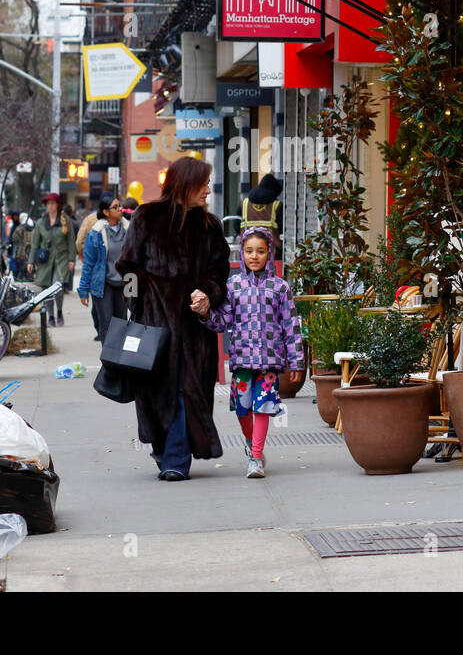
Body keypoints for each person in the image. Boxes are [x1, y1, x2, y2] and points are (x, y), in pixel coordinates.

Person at [115, 157, 229, 481]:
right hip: (153, 324)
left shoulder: (210, 226)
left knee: (186, 391)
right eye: (203, 183)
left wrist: (208, 293)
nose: (208, 190)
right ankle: (165, 451)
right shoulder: (146, 217)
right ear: (186, 185)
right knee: (155, 392)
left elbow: (219, 273)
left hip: (194, 329)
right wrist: (135, 298)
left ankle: (176, 460)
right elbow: (127, 267)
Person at [194, 226, 303, 479]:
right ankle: (250, 441)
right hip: (241, 359)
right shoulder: (232, 286)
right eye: (249, 251)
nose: (254, 256)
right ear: (241, 253)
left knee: (262, 407)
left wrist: (296, 362)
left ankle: (256, 456)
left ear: (270, 253)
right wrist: (206, 314)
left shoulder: (280, 288)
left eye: (260, 251)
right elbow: (223, 321)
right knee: (243, 409)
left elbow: (291, 326)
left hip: (269, 362)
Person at [79, 193, 129, 342]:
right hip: (103, 283)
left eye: (120, 206)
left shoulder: (129, 230)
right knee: (106, 323)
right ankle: (108, 360)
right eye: (115, 207)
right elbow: (88, 264)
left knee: (121, 323)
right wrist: (83, 290)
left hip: (123, 284)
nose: (120, 209)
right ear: (106, 212)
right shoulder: (95, 234)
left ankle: (119, 359)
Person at [29, 192, 72, 326]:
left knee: (57, 287)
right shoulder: (41, 222)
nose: (50, 206)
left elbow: (71, 241)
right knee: (46, 289)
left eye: (53, 203)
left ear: (58, 205)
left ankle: (59, 312)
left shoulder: (65, 221)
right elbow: (35, 243)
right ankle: (51, 317)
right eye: (48, 204)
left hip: (61, 259)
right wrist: (30, 261)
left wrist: (72, 259)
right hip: (45, 261)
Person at [241, 173, 282, 251]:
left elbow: (236, 225)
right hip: (272, 249)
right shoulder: (277, 205)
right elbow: (282, 227)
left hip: (248, 248)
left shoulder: (244, 203)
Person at [9, 212, 32, 281]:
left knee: (20, 269)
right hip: (31, 253)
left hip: (21, 252)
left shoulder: (20, 228)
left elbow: (13, 238)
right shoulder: (34, 227)